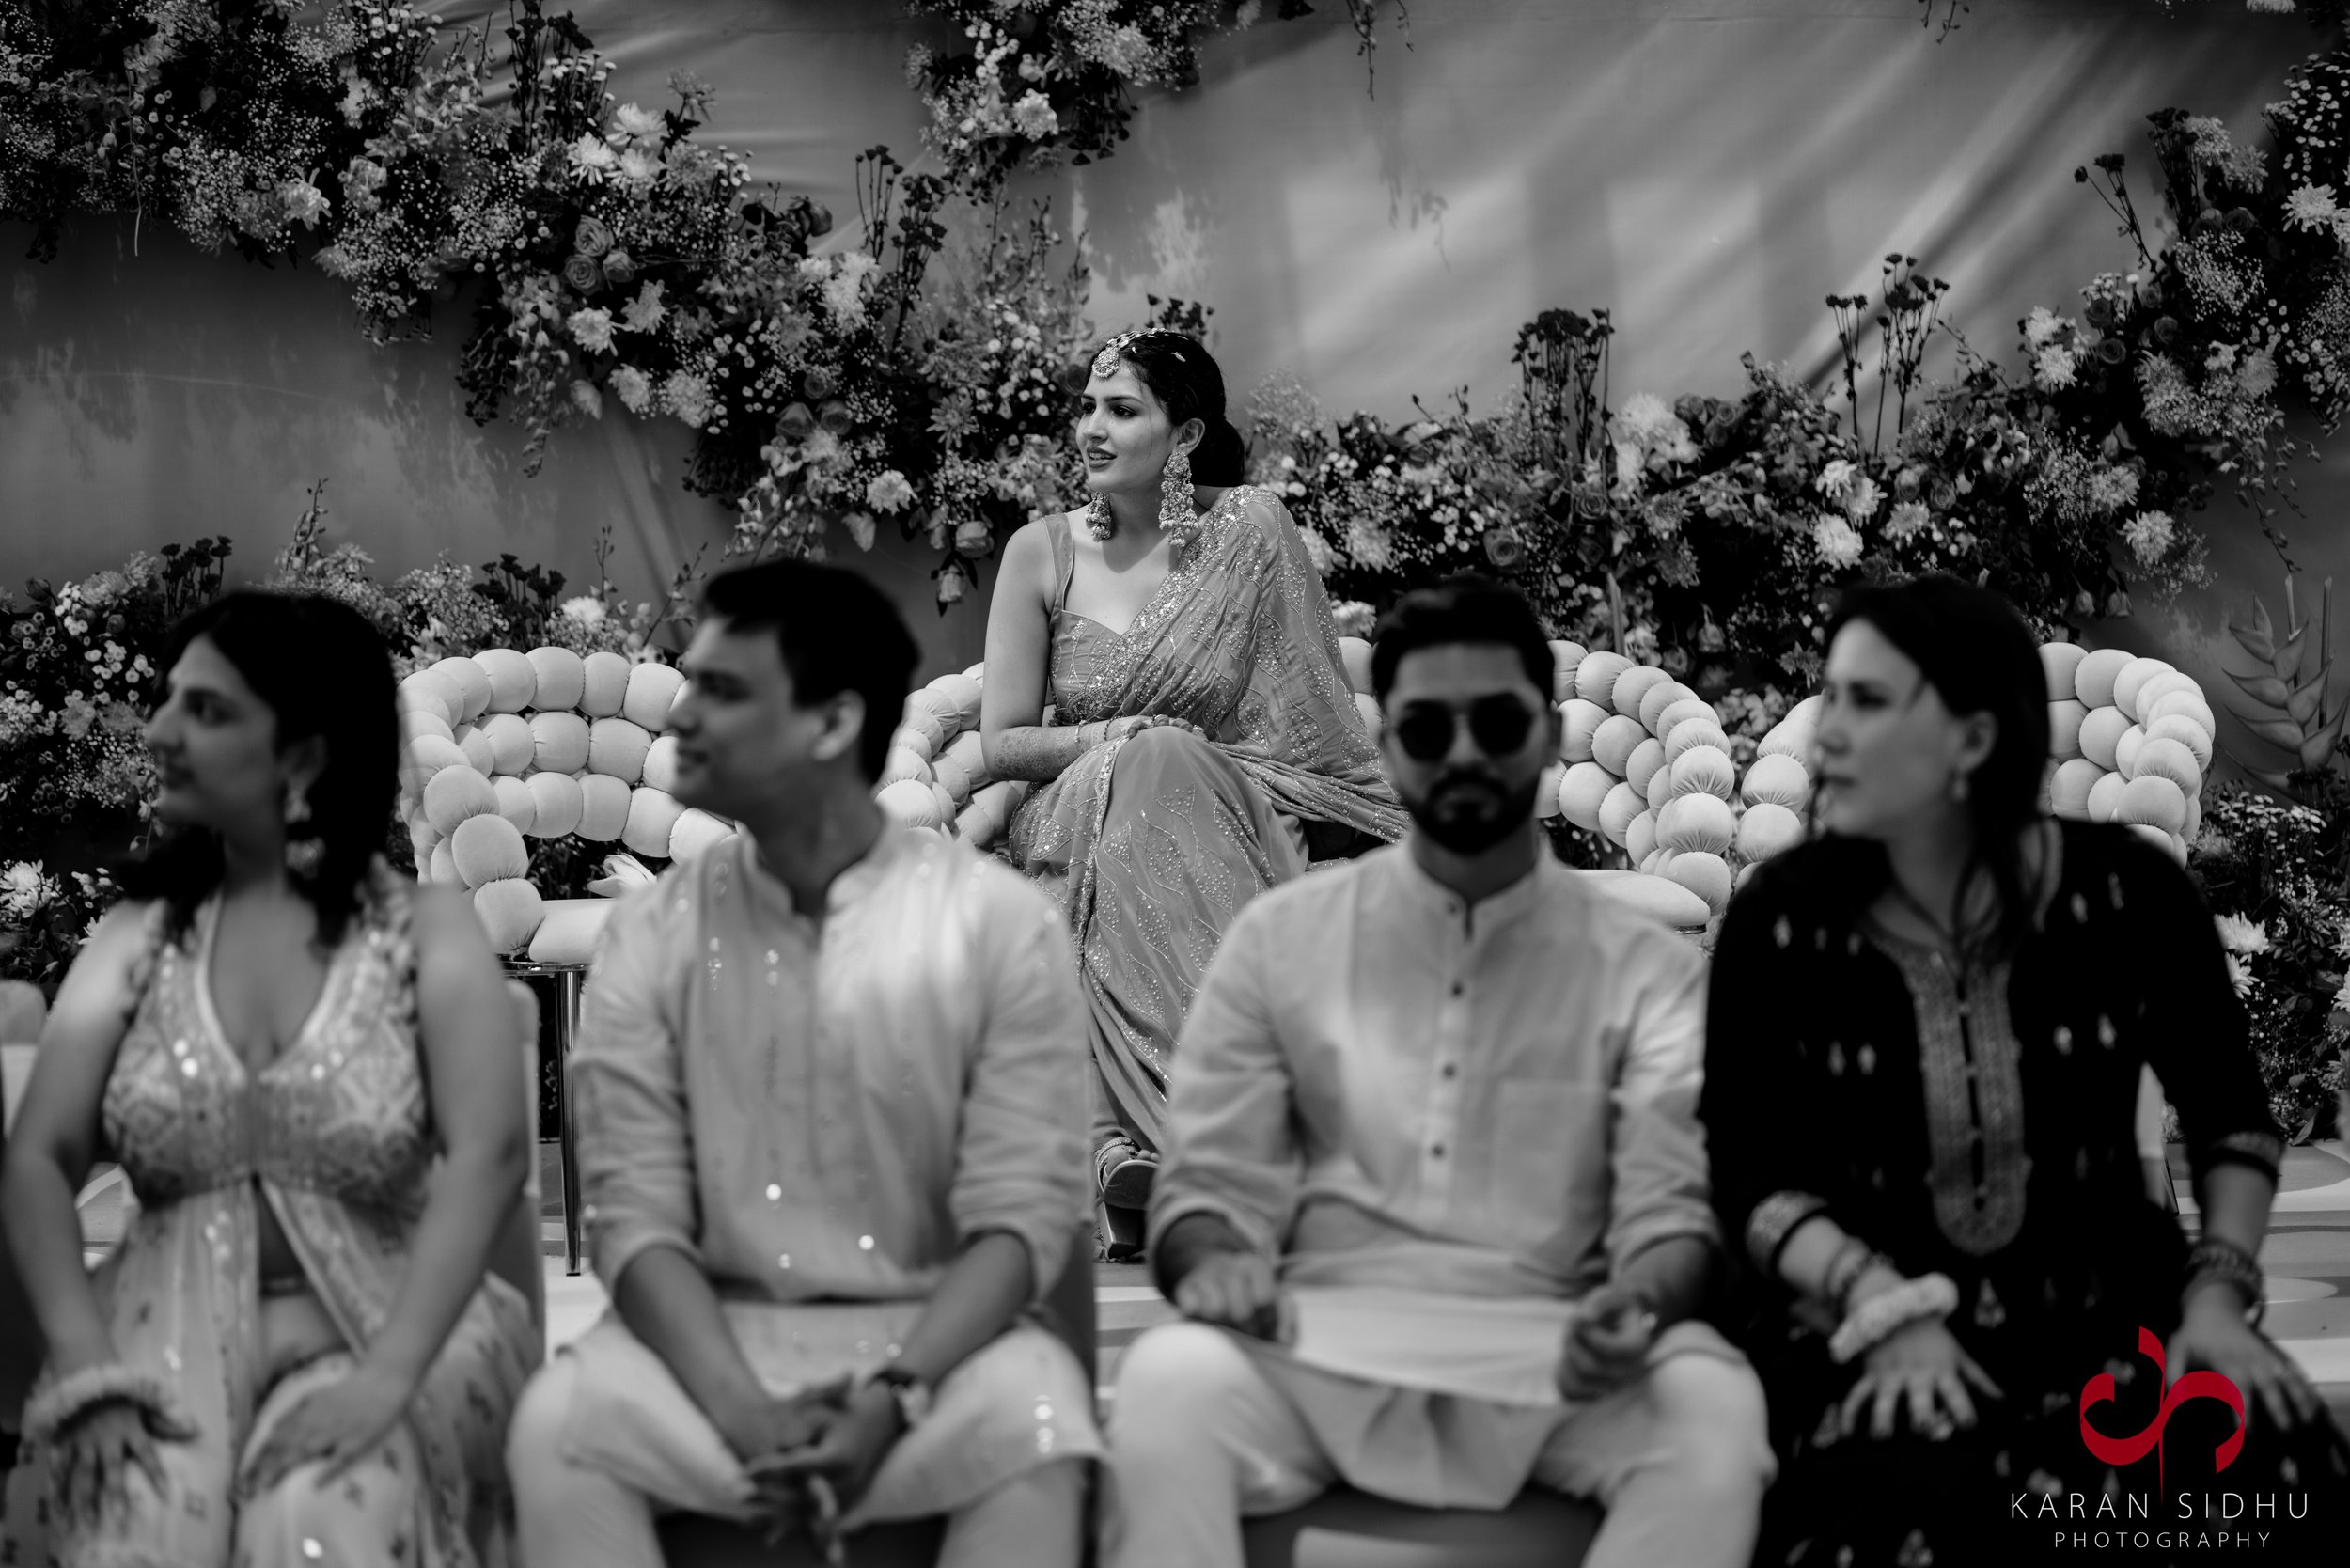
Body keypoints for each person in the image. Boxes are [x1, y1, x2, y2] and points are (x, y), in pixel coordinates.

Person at [1104, 575, 1774, 1568]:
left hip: (1555, 1352)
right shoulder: (1280, 944)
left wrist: (1636, 1303)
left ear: (1545, 738)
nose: (1463, 753)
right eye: (1427, 730)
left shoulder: (1642, 971)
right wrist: (1220, 1266)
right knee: (1168, 1388)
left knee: (1713, 1411)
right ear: (1387, 753)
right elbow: (1204, 1193)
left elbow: (1671, 1215)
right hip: (1318, 1338)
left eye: (1495, 723)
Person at [1700, 574, 2350, 1565]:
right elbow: (1747, 1169)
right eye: (1830, 698)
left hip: (2108, 1309)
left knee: (2269, 1470)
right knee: (1904, 1507)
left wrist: (2216, 1299)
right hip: (1853, 1313)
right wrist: (1876, 1303)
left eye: (1864, 702)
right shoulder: (1779, 919)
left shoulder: (2130, 896)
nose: (1823, 732)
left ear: (1970, 737)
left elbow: (2230, 1117)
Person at [504, 560, 1099, 1568]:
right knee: (554, 1429)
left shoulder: (994, 927)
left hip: (938, 1356)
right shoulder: (652, 936)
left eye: (723, 690)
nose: (682, 715)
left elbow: (1023, 1220)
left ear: (828, 726)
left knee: (1036, 1424)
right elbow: (633, 1222)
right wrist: (745, 1415)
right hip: (708, 1353)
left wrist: (893, 1398)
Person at [0, 591, 538, 1568]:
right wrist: (84, 1368)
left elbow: (491, 1154)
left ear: (303, 754)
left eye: (204, 711)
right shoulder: (133, 940)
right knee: (140, 1525)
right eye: (166, 700)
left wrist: (388, 1375)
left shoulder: (427, 931)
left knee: (323, 1527)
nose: (157, 731)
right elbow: (38, 1157)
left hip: (395, 1322)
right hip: (153, 1327)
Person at [983, 328, 1403, 1256]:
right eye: (1088, 407)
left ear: (1184, 437)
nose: (1091, 428)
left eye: (1122, 411)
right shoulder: (1039, 552)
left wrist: (1179, 761)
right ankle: (1237, 1147)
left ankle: (1133, 1153)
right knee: (1148, 767)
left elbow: (1308, 716)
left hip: (1224, 809)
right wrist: (1113, 738)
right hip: (1072, 803)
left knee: (1175, 778)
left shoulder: (1250, 533)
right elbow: (999, 743)